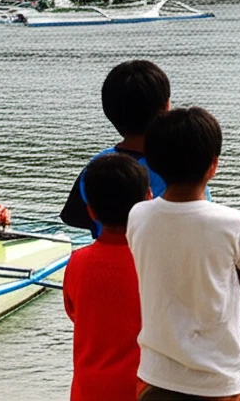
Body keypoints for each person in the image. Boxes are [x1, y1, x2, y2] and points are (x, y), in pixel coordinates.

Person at [128, 107, 240, 401]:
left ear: (152, 161)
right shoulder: (235, 224)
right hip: (218, 380)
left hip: (155, 375)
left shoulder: (138, 216)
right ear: (213, 165)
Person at [63, 153, 150, 401]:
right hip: (142, 389)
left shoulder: (78, 261)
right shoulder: (153, 260)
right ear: (148, 199)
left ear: (90, 211)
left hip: (87, 389)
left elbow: (74, 312)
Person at [60, 60, 171, 237]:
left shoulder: (98, 166)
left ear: (108, 111)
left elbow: (74, 216)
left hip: (107, 259)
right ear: (166, 107)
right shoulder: (180, 162)